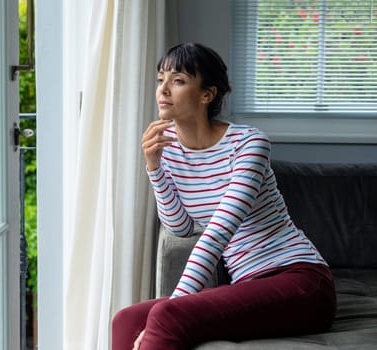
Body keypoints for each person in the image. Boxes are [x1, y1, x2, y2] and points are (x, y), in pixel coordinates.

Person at [111, 43, 336, 350]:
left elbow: (217, 234)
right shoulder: (170, 148)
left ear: (207, 95)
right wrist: (155, 167)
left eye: (177, 80)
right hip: (248, 284)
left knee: (165, 315)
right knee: (126, 319)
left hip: (301, 280)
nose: (163, 89)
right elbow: (180, 227)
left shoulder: (248, 143)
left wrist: (171, 307)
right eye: (160, 79)